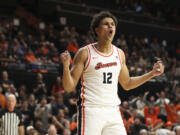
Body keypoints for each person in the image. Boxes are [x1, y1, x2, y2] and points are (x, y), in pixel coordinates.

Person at [60, 11, 164, 135]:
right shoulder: (85, 53)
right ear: (97, 30)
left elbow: (127, 83)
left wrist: (151, 74)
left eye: (112, 24)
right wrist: (66, 67)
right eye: (106, 24)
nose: (111, 27)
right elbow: (68, 86)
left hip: (113, 111)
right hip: (91, 110)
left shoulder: (119, 54)